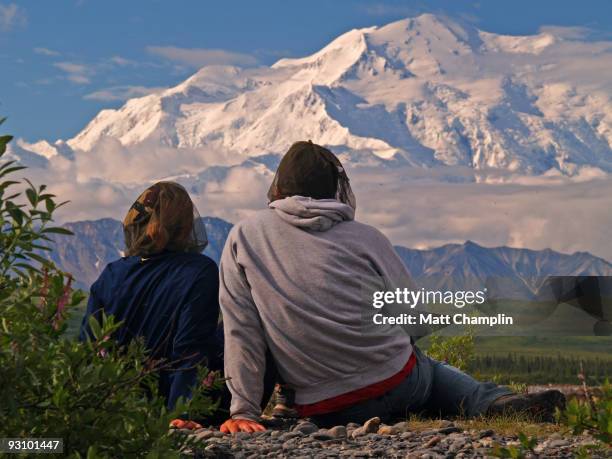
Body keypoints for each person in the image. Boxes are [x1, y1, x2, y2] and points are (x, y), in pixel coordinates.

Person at [218, 141, 565, 434]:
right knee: (425, 366)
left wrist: (244, 412)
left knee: (410, 371)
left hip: (320, 406)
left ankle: (447, 408)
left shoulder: (244, 237)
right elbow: (415, 320)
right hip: (395, 383)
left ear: (279, 187)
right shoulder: (367, 238)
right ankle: (493, 402)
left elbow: (241, 332)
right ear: (336, 188)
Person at [79, 182, 221, 428]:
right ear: (186, 226)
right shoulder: (199, 271)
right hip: (173, 404)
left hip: (115, 405)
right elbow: (190, 347)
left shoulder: (112, 273)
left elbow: (87, 347)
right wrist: (181, 413)